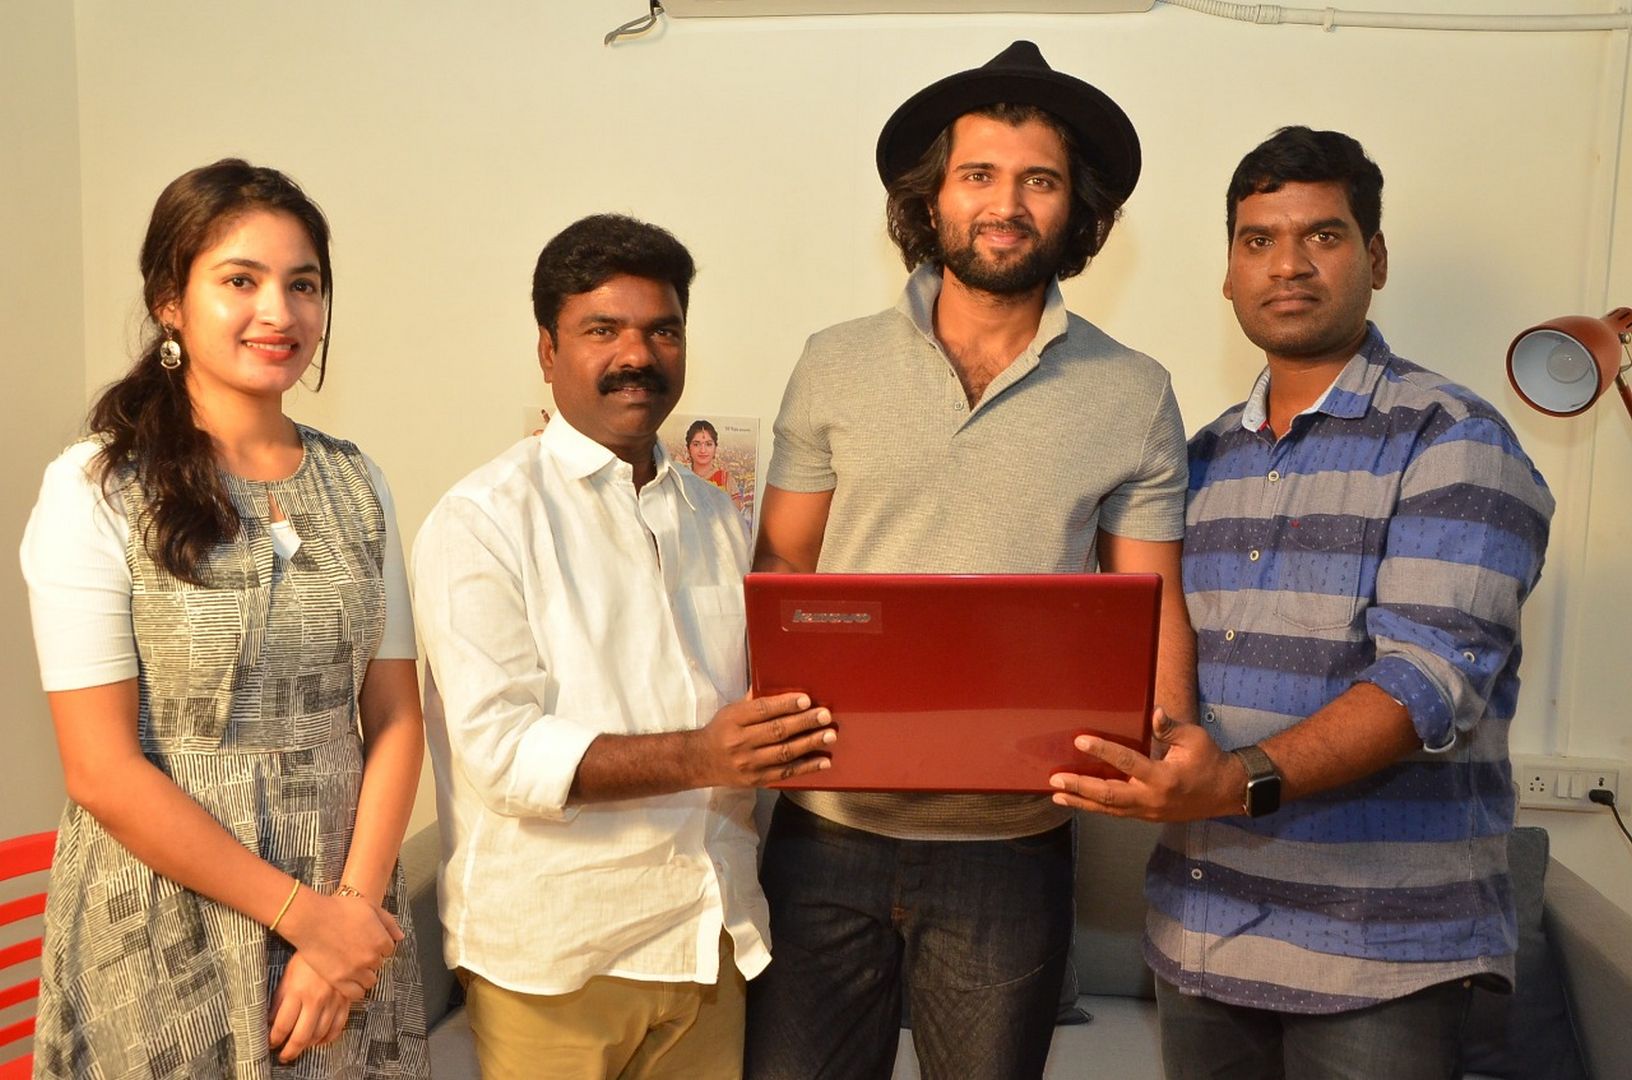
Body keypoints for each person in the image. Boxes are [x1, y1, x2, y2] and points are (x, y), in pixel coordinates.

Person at [1051, 127, 1554, 1080]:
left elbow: (1425, 684)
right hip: (1200, 939)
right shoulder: (1196, 462)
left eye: (1323, 235)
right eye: (1258, 240)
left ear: (1376, 258)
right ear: (1228, 274)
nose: (1287, 264)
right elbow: (1135, 650)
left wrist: (1233, 781)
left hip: (1382, 959)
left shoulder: (1454, 441)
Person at [746, 41, 1196, 1079]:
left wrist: (1171, 736)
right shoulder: (834, 361)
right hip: (825, 829)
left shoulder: (1133, 392)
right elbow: (784, 569)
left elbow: (1157, 599)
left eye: (1039, 180)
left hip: (1015, 845)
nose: (1006, 204)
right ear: (932, 198)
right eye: (979, 175)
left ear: (1075, 210)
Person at [20, 160, 428, 1076]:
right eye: (240, 280)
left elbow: (397, 718)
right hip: (166, 920)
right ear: (170, 300)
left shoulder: (358, 481)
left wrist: (349, 917)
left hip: (346, 913)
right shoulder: (99, 486)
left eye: (303, 284)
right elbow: (101, 770)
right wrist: (304, 918)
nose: (278, 311)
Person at [411, 213, 834, 1080]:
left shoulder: (716, 517)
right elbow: (501, 752)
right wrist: (701, 755)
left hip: (707, 936)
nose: (637, 355)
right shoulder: (483, 519)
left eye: (662, 331)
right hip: (558, 956)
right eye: (602, 330)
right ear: (547, 349)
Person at [685, 418, 746, 511]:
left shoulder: (725, 480)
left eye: (708, 444)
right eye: (696, 444)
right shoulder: (681, 478)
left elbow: (735, 517)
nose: (703, 450)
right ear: (688, 448)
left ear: (715, 448)